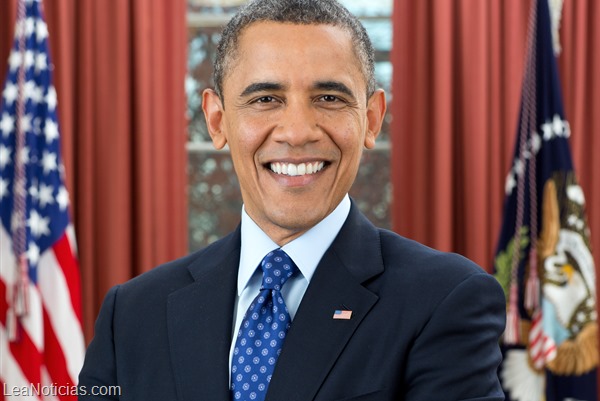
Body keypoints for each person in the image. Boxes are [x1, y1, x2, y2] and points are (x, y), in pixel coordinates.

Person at [78, 0, 506, 400]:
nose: (298, 131)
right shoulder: (132, 314)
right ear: (217, 120)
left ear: (371, 119)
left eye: (329, 98)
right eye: (266, 99)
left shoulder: (446, 300)